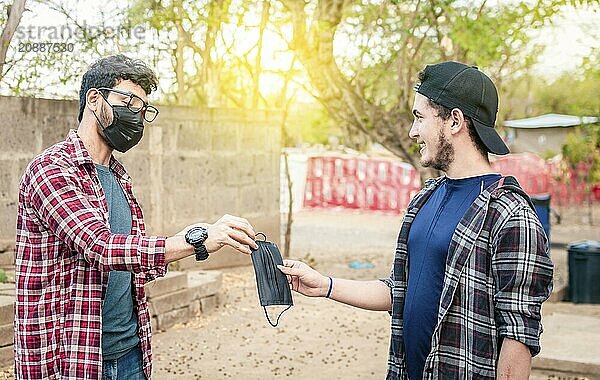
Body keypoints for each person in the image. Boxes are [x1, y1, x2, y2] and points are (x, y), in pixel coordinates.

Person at [278, 61, 553, 379]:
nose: (412, 132)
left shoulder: (510, 215)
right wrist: (324, 285)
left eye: (420, 118)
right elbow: (401, 291)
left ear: (454, 121)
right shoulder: (426, 197)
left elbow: (518, 335)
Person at [14, 54, 258, 380]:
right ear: (94, 99)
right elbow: (100, 247)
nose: (136, 116)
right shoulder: (53, 168)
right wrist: (191, 241)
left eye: (143, 109)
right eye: (128, 101)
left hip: (130, 353)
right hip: (72, 356)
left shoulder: (118, 176)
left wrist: (198, 236)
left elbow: (136, 258)